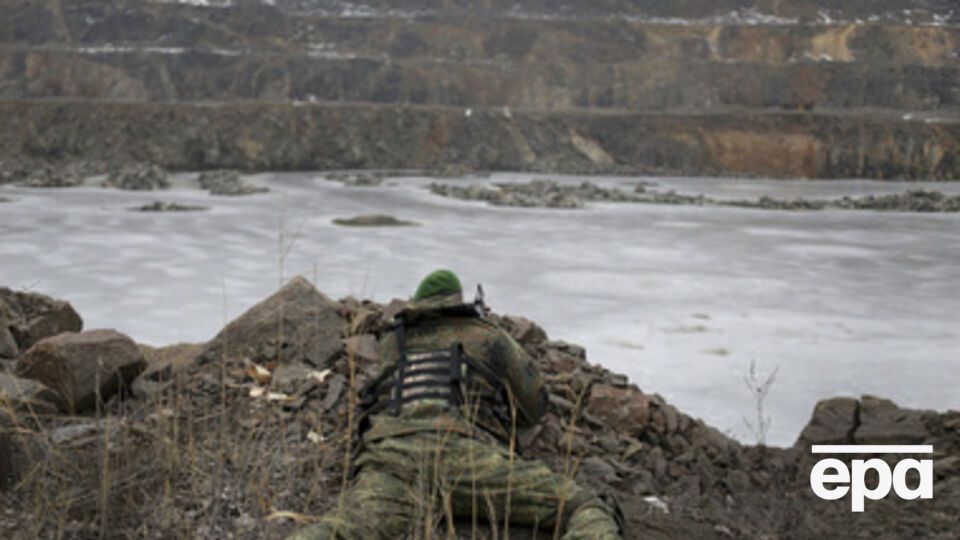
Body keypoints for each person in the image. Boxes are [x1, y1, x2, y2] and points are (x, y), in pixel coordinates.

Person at [287, 269, 622, 539]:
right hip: (467, 459)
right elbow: (534, 406)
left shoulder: (393, 342)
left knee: (341, 531)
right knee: (581, 505)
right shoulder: (487, 336)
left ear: (419, 305)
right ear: (457, 301)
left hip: (392, 461)